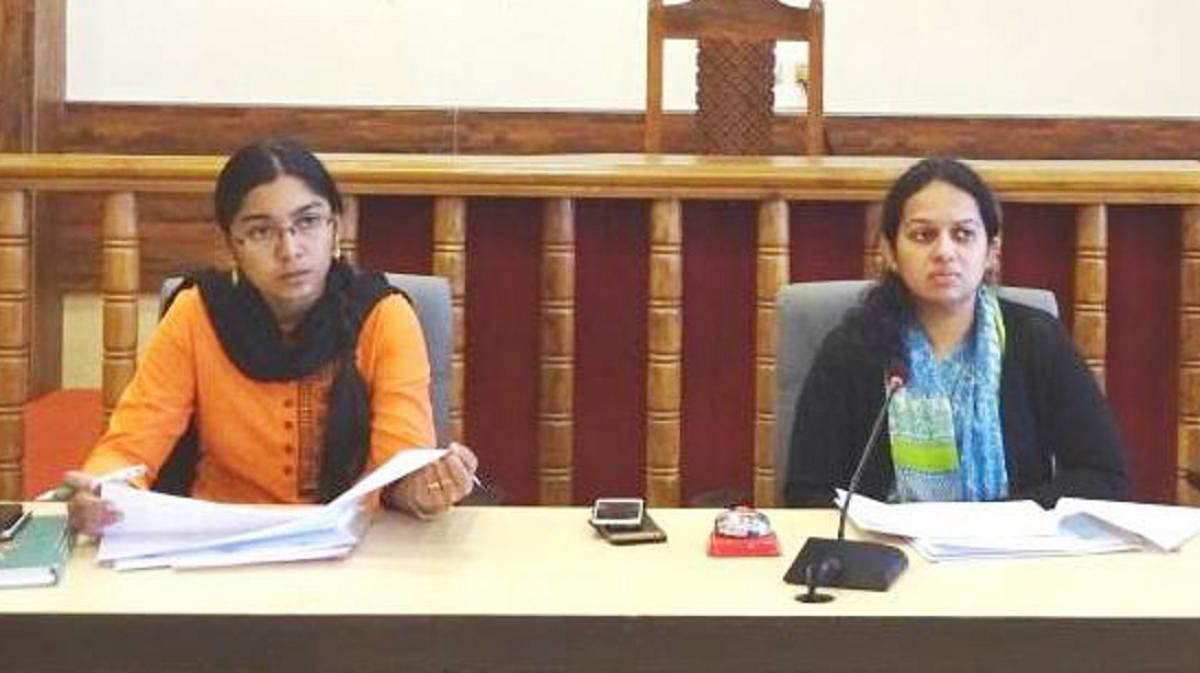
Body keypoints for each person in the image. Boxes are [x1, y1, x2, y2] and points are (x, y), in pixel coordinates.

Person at [67, 139, 478, 534]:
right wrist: (104, 492)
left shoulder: (384, 315)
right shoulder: (198, 312)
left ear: (335, 228)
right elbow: (132, 445)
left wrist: (427, 488)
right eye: (262, 231)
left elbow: (400, 467)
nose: (290, 248)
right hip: (214, 542)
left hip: (352, 545)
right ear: (232, 245)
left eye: (308, 222)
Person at [785, 157, 1128, 509]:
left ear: (992, 251)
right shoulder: (852, 348)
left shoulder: (1037, 340)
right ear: (889, 252)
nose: (945, 252)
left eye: (963, 235)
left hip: (1008, 551)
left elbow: (1103, 476)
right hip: (886, 553)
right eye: (923, 235)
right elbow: (807, 491)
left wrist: (1003, 521)